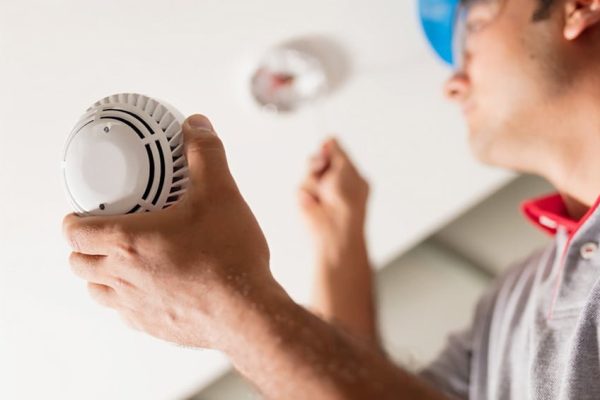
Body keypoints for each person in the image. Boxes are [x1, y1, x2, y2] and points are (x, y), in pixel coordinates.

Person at [62, 0, 600, 398]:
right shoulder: (515, 298)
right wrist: (339, 249)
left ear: (578, 8)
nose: (452, 83)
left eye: (476, 24)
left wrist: (225, 306)